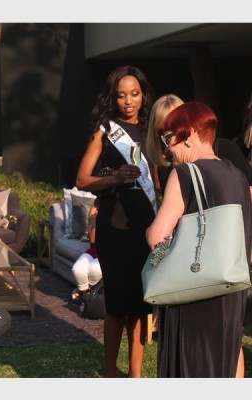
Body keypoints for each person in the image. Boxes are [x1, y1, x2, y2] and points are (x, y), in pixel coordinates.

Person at [146, 101, 252, 377]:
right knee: (228, 355)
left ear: (190, 134)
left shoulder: (183, 174)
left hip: (194, 289)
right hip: (231, 288)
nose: (167, 148)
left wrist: (154, 245)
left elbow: (158, 236)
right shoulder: (238, 175)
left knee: (192, 365)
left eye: (169, 138)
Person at [76, 65, 155, 378]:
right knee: (117, 304)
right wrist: (115, 178)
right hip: (115, 227)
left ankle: (135, 375)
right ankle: (110, 372)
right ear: (113, 98)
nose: (128, 101)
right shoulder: (105, 131)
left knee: (140, 304)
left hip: (146, 228)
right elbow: (82, 179)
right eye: (121, 95)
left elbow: (159, 181)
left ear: (143, 95)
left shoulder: (152, 130)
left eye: (134, 94)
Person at [70, 197, 101, 300]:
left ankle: (89, 293)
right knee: (77, 269)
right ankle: (86, 294)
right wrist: (93, 218)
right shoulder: (95, 208)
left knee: (94, 269)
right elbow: (92, 240)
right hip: (94, 249)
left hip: (109, 252)